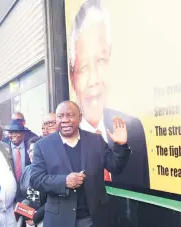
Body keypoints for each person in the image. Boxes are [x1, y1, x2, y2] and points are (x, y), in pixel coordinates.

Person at [30, 101, 131, 227]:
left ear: (79, 118)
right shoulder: (42, 146)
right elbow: (36, 179)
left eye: (70, 115)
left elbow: (115, 166)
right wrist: (64, 182)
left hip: (94, 221)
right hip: (63, 223)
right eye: (60, 116)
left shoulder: (95, 140)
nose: (65, 120)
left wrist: (121, 146)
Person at [68, 0, 149, 189]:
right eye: (84, 67)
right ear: (72, 78)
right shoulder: (67, 135)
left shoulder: (133, 130)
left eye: (101, 60)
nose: (94, 79)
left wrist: (121, 146)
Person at [20, 136, 60, 227]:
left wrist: (36, 216)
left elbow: (53, 198)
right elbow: (23, 195)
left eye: (35, 150)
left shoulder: (52, 170)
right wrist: (25, 212)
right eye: (30, 150)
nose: (32, 153)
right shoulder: (26, 170)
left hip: (48, 218)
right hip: (30, 222)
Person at [4, 119, 35, 227]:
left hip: (29, 197)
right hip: (10, 199)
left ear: (23, 133)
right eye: (10, 132)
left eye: (17, 132)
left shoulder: (32, 147)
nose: (13, 135)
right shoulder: (3, 148)